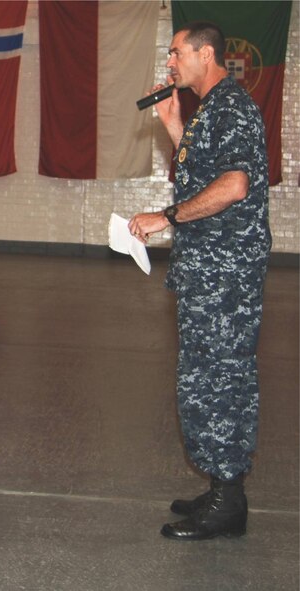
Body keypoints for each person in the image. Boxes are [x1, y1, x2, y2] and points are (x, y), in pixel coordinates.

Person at [128, 21, 270, 541]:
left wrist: (167, 216)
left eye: (175, 53)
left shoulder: (231, 107)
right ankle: (218, 489)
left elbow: (233, 185)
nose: (169, 64)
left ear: (205, 54)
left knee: (224, 382)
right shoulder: (210, 109)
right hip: (208, 274)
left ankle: (229, 502)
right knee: (203, 383)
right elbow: (207, 171)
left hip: (226, 278)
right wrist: (171, 123)